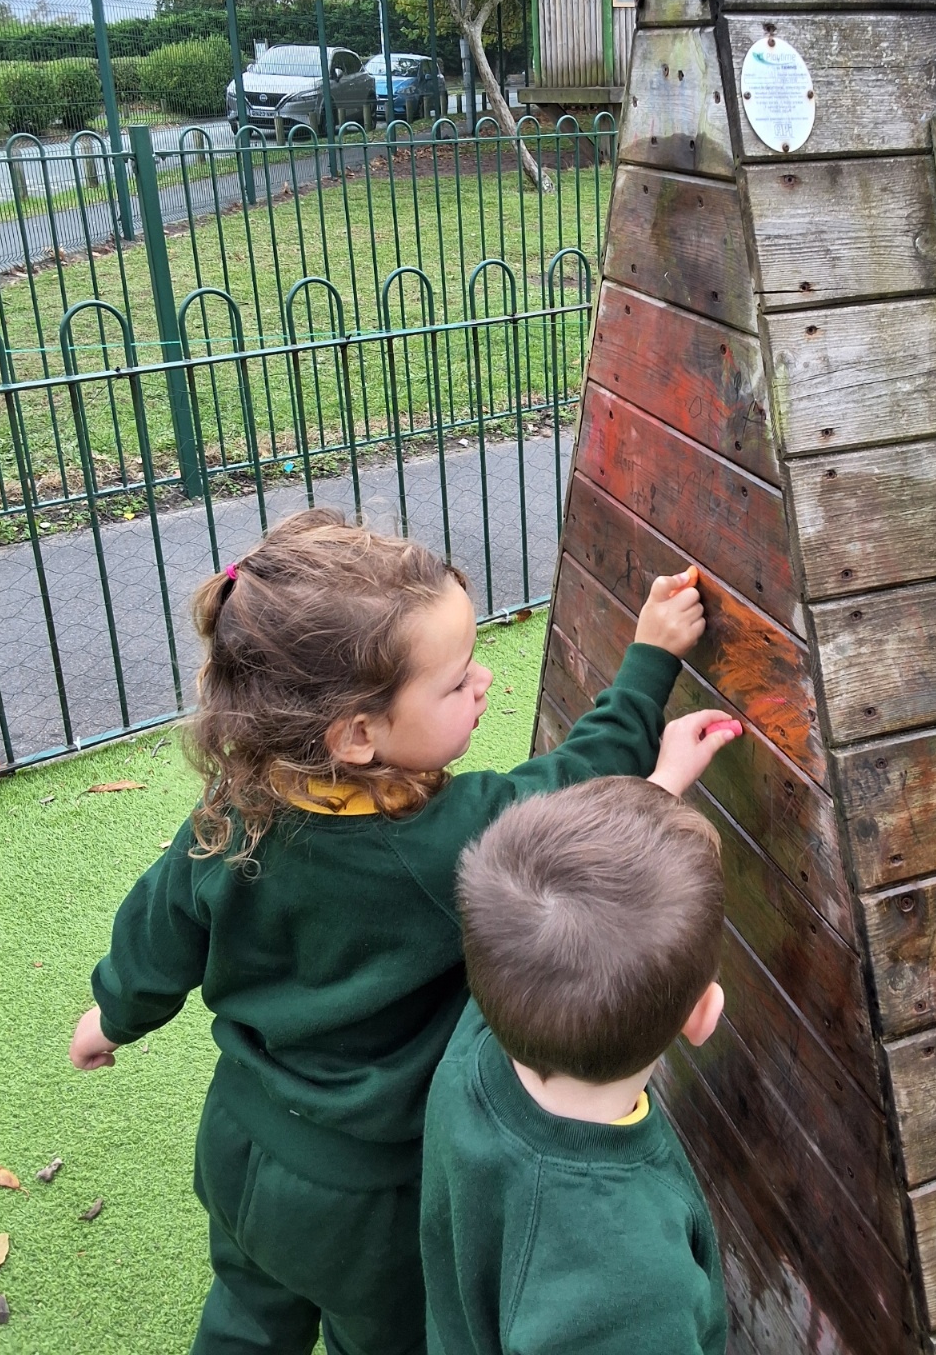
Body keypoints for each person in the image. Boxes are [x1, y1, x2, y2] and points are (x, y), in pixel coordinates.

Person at [67, 508, 737, 1355]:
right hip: (366, 1199)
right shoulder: (449, 841)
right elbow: (575, 781)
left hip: (241, 1144)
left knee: (247, 1313)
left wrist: (111, 1017)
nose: (484, 681)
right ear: (357, 735)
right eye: (455, 684)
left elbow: (156, 936)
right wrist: (649, 664)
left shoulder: (232, 811)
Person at [420, 766, 737, 1355]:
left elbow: (552, 939)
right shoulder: (633, 1288)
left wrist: (657, 795)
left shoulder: (477, 1042)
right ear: (703, 1015)